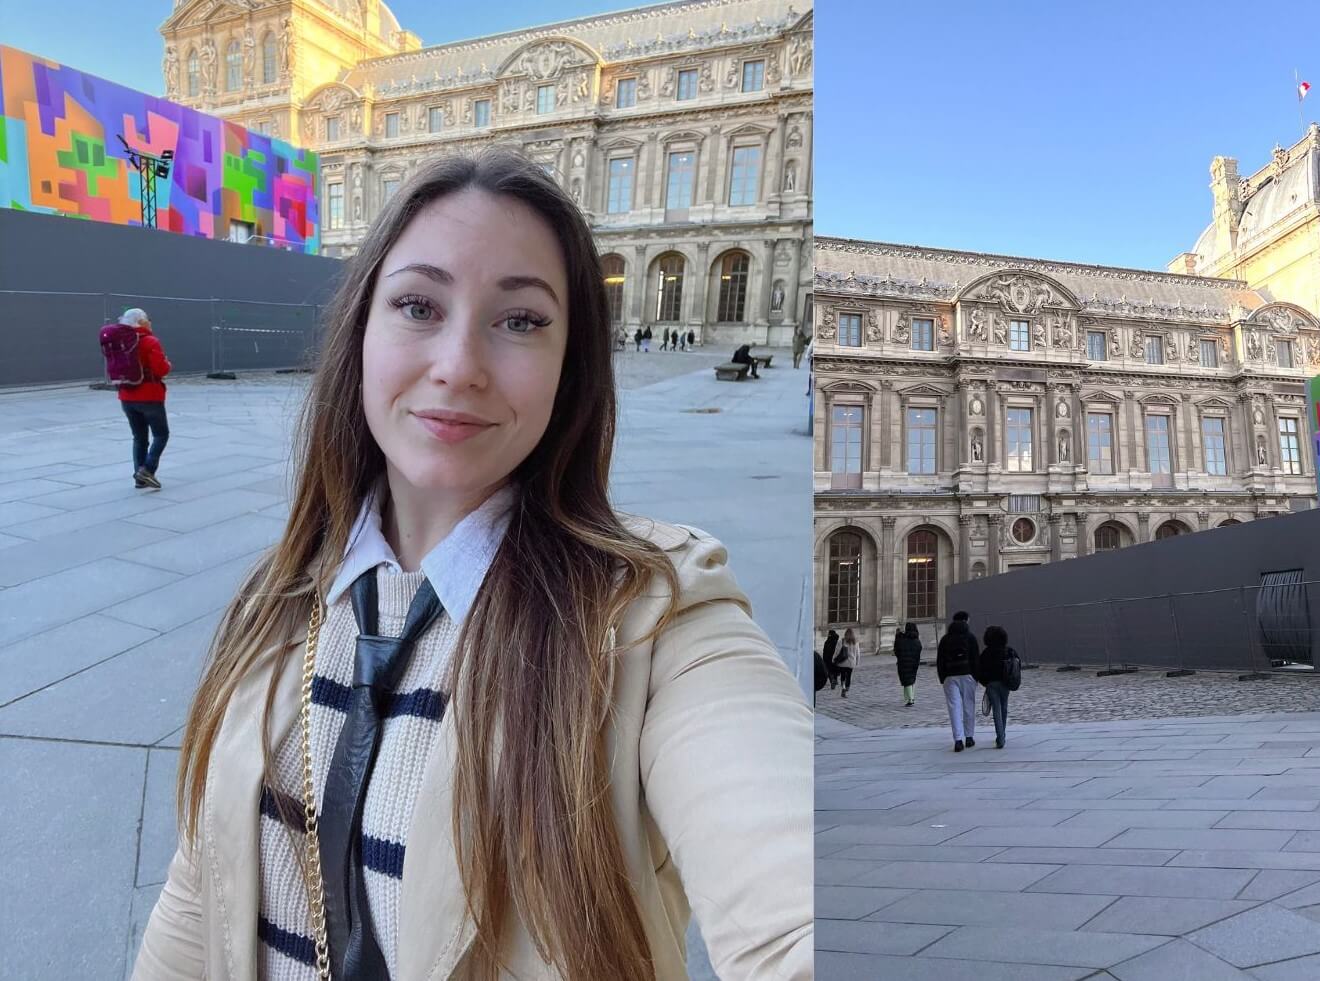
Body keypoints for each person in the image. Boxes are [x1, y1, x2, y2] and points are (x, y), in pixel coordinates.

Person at [132, 147, 811, 981]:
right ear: (360, 331)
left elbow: (793, 910)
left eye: (521, 319)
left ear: (572, 366)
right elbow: (199, 899)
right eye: (419, 304)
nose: (458, 365)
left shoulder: (659, 622)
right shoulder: (273, 601)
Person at [108, 308, 173, 490]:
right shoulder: (150, 341)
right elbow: (161, 370)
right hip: (150, 395)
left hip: (126, 395)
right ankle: (148, 469)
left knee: (139, 437)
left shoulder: (119, 342)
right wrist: (167, 364)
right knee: (161, 434)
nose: (151, 322)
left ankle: (139, 477)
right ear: (142, 322)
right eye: (148, 319)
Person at [937, 610, 979, 751]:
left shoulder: (945, 639)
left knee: (954, 708)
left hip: (950, 675)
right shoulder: (970, 637)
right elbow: (975, 658)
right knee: (969, 706)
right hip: (967, 674)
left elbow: (940, 660)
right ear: (965, 620)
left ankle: (958, 740)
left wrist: (942, 677)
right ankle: (969, 737)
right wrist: (976, 676)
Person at [974, 625, 1014, 749]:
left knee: (996, 709)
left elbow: (979, 670)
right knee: (1004, 708)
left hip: (991, 684)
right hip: (1005, 683)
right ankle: (1003, 734)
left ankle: (1000, 737)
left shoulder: (985, 653)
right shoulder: (1008, 651)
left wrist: (984, 682)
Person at [893, 622, 922, 707]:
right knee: (910, 679)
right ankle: (908, 698)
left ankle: (910, 699)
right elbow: (919, 649)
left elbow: (897, 650)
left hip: (903, 662)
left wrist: (897, 636)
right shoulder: (917, 640)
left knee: (906, 680)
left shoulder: (902, 639)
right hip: (914, 662)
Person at [833, 628, 859, 697]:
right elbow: (857, 653)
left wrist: (834, 658)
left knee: (843, 676)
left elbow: (837, 651)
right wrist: (857, 662)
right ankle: (847, 688)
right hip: (851, 662)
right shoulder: (855, 642)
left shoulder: (841, 641)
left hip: (842, 662)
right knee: (849, 676)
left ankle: (843, 687)